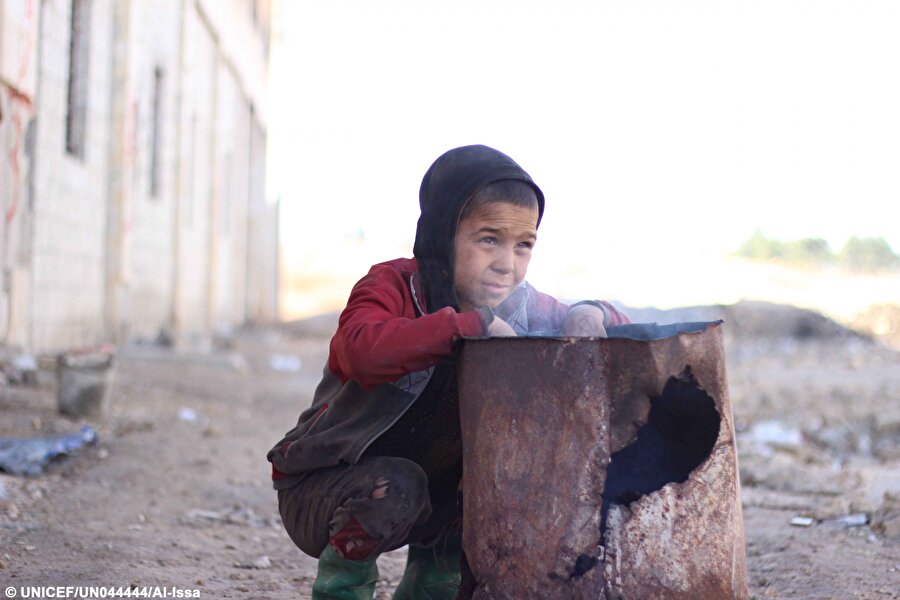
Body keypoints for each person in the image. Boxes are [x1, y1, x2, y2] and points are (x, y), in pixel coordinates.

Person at [268, 145, 629, 599]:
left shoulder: (518, 306)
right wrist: (466, 327)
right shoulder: (392, 286)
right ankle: (343, 586)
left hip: (430, 496)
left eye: (524, 245)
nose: (507, 263)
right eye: (488, 239)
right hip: (325, 488)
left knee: (496, 476)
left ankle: (433, 583)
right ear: (443, 234)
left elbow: (624, 323)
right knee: (399, 484)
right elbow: (360, 350)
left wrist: (592, 314)